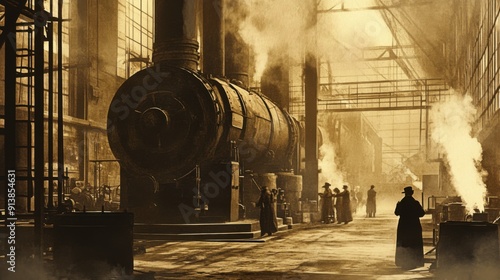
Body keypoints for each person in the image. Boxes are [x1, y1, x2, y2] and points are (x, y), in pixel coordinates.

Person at [394, 186, 426, 270]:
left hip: (403, 225)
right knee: (414, 243)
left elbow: (397, 213)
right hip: (414, 225)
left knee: (404, 243)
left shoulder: (401, 203)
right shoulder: (415, 203)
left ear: (405, 194)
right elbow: (422, 213)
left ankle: (403, 261)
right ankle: (414, 261)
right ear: (412, 193)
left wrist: (397, 206)